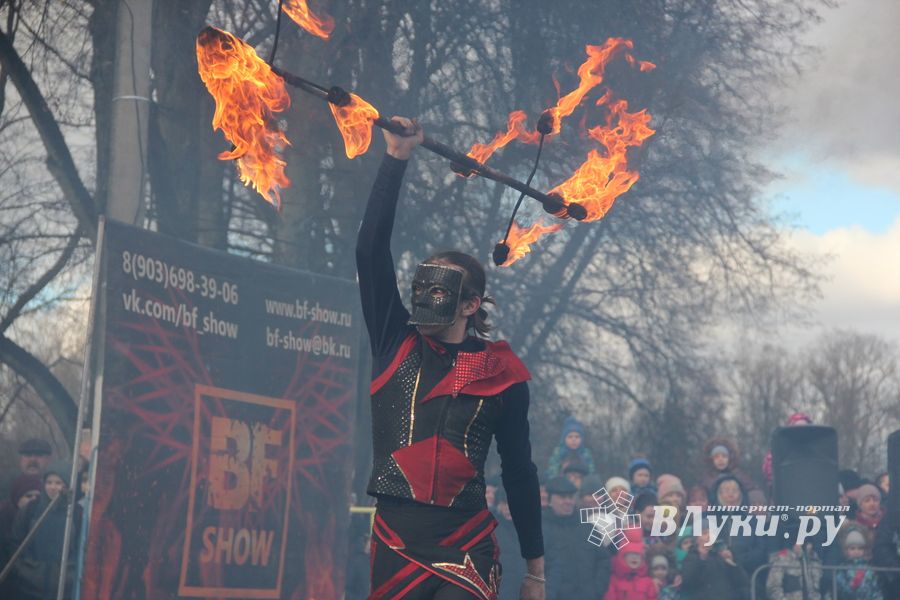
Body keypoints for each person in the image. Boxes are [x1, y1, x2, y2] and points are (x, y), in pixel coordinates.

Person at [357, 117, 544, 600]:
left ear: (470, 304)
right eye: (421, 288)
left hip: (466, 544)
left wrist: (535, 570)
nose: (424, 300)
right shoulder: (392, 339)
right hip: (396, 539)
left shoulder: (502, 374)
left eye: (440, 292)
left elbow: (520, 471)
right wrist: (396, 157)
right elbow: (370, 250)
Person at [10, 461, 81, 600]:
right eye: (49, 482)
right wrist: (25, 571)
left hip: (65, 589)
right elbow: (15, 543)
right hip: (29, 588)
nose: (53, 487)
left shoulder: (78, 514)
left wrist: (70, 573)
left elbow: (81, 549)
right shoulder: (30, 510)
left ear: (67, 484)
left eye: (58, 483)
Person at [542, 477, 610, 599]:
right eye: (562, 497)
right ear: (550, 500)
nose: (568, 501)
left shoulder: (588, 528)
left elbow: (603, 560)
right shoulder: (540, 531)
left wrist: (597, 590)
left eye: (571, 497)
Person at [679, 522, 749, 600]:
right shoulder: (692, 557)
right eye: (704, 533)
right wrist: (702, 559)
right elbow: (688, 583)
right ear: (696, 540)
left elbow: (743, 581)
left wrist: (732, 562)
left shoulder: (722, 552)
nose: (709, 536)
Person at [833, 522, 883, 600]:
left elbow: (875, 587)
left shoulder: (869, 568)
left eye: (860, 548)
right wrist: (853, 585)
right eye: (852, 548)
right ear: (846, 550)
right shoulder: (843, 568)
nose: (856, 551)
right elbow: (840, 586)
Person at [603, 528, 658, 600]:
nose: (634, 558)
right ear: (623, 557)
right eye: (631, 554)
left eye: (637, 554)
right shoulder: (614, 581)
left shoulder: (648, 582)